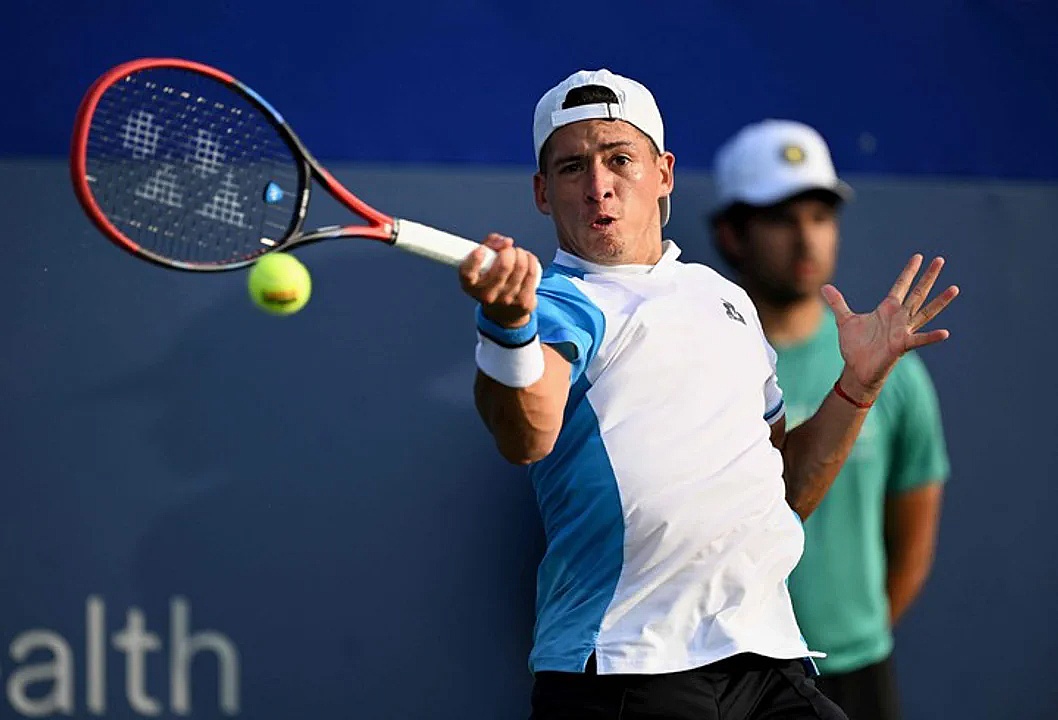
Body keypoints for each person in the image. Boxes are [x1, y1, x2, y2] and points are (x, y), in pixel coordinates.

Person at [456, 69, 958, 720]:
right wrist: (507, 326)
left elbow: (783, 490)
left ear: (663, 174)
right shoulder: (556, 306)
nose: (599, 185)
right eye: (572, 167)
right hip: (626, 663)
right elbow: (526, 434)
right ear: (542, 193)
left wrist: (855, 388)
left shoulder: (726, 300)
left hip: (765, 656)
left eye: (619, 159)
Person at [709, 119, 951, 720]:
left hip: (858, 674)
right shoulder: (697, 367)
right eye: (781, 218)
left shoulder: (894, 373)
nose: (805, 239)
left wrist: (856, 640)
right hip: (724, 676)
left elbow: (913, 540)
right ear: (731, 234)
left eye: (820, 216)